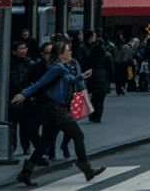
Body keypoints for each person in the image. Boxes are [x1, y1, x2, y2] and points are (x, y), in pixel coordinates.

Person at [11, 37, 106, 187]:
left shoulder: (62, 67)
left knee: (45, 144)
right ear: (60, 53)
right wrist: (24, 94)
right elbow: (40, 83)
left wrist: (83, 76)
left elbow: (70, 79)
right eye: (68, 50)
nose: (70, 53)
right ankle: (87, 169)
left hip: (53, 109)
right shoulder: (57, 68)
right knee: (78, 135)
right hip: (56, 109)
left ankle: (25, 173)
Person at [7, 41, 34, 154]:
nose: (24, 50)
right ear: (14, 52)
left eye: (25, 48)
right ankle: (12, 146)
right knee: (11, 126)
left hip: (25, 100)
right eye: (21, 48)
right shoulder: (8, 64)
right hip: (12, 99)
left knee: (25, 127)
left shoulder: (30, 64)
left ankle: (26, 146)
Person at [85, 40, 113, 123]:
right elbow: (111, 68)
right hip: (104, 78)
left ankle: (92, 114)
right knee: (101, 99)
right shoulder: (107, 55)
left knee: (94, 98)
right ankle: (97, 117)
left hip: (93, 78)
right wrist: (110, 79)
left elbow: (86, 66)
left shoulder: (90, 54)